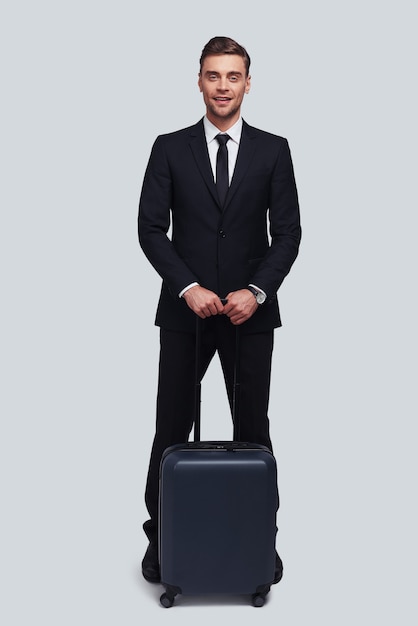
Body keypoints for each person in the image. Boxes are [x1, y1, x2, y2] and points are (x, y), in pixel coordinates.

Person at [138, 36, 301, 584]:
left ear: (248, 83)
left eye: (233, 76)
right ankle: (161, 542)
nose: (223, 86)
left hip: (249, 315)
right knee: (170, 428)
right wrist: (188, 286)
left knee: (254, 430)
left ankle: (261, 540)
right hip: (186, 312)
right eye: (214, 75)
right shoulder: (169, 147)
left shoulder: (274, 150)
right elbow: (151, 229)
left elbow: (289, 234)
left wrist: (255, 292)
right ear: (200, 81)